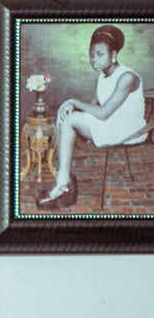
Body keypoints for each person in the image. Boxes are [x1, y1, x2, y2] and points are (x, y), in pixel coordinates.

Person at [38, 24, 146, 208]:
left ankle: (64, 182)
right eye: (91, 54)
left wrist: (74, 101)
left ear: (113, 55)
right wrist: (72, 106)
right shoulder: (102, 76)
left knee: (69, 118)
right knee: (68, 116)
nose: (94, 59)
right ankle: (64, 180)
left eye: (100, 54)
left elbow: (102, 113)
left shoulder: (127, 77)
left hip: (128, 129)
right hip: (111, 123)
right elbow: (94, 106)